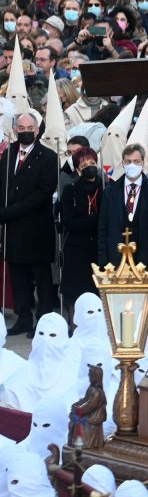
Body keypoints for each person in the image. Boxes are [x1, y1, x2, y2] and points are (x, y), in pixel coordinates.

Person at [0, 113, 60, 334]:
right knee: (18, 277)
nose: (25, 131)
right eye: (21, 127)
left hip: (37, 229)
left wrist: (10, 211)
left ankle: (43, 320)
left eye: (29, 127)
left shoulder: (49, 157)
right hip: (13, 230)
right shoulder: (8, 154)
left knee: (41, 278)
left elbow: (43, 193)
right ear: (15, 129)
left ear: (36, 130)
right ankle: (23, 318)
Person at [97, 143, 148, 270]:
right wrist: (103, 260)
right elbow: (103, 227)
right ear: (122, 164)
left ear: (143, 163)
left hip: (146, 259)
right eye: (128, 161)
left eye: (136, 162)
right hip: (116, 260)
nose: (132, 165)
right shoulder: (110, 191)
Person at [59, 148, 103, 316]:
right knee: (75, 296)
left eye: (92, 163)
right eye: (84, 165)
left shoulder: (106, 188)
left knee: (97, 296)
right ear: (78, 169)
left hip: (98, 249)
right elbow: (69, 223)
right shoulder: (71, 190)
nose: (89, 167)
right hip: (76, 250)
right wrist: (95, 219)